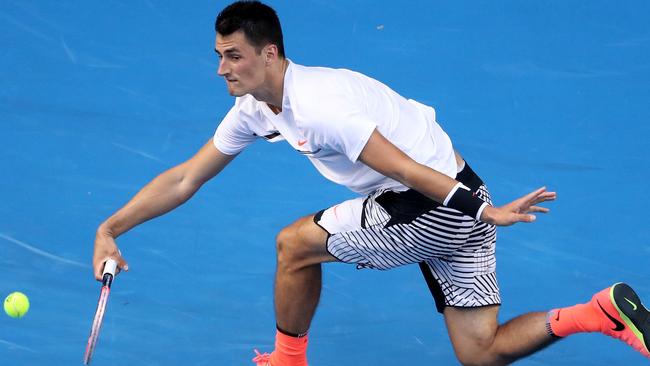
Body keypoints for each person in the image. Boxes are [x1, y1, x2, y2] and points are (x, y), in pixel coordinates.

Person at [92, 1, 649, 365]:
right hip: (456, 188)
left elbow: (405, 169)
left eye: (233, 56)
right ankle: (599, 312)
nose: (222, 69)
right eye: (218, 56)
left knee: (293, 245)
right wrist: (111, 227)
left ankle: (288, 360)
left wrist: (484, 211)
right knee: (481, 352)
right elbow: (187, 177)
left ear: (270, 53)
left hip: (435, 201)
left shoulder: (321, 107)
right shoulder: (255, 108)